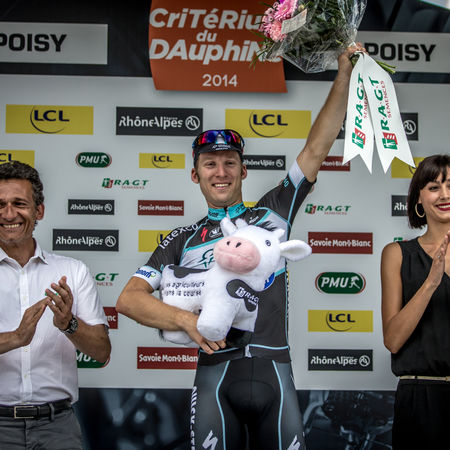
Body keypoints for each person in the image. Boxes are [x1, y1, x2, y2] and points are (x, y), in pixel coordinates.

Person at [116, 44, 362, 449]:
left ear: (244, 170)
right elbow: (128, 300)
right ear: (195, 175)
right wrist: (186, 321)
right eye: (209, 164)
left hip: (274, 371)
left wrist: (344, 76)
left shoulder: (273, 213)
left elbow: (317, 148)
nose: (221, 171)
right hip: (215, 377)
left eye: (230, 162)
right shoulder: (181, 239)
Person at [0, 161, 111, 449]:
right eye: (1, 204)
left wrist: (68, 324)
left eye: (19, 204)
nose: (9, 214)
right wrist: (15, 338)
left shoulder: (73, 271)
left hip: (57, 427)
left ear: (39, 211)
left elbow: (101, 352)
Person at [380, 154, 450, 450]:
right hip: (420, 399)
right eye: (434, 187)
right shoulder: (397, 254)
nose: (444, 194)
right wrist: (431, 282)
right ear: (419, 198)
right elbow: (393, 340)